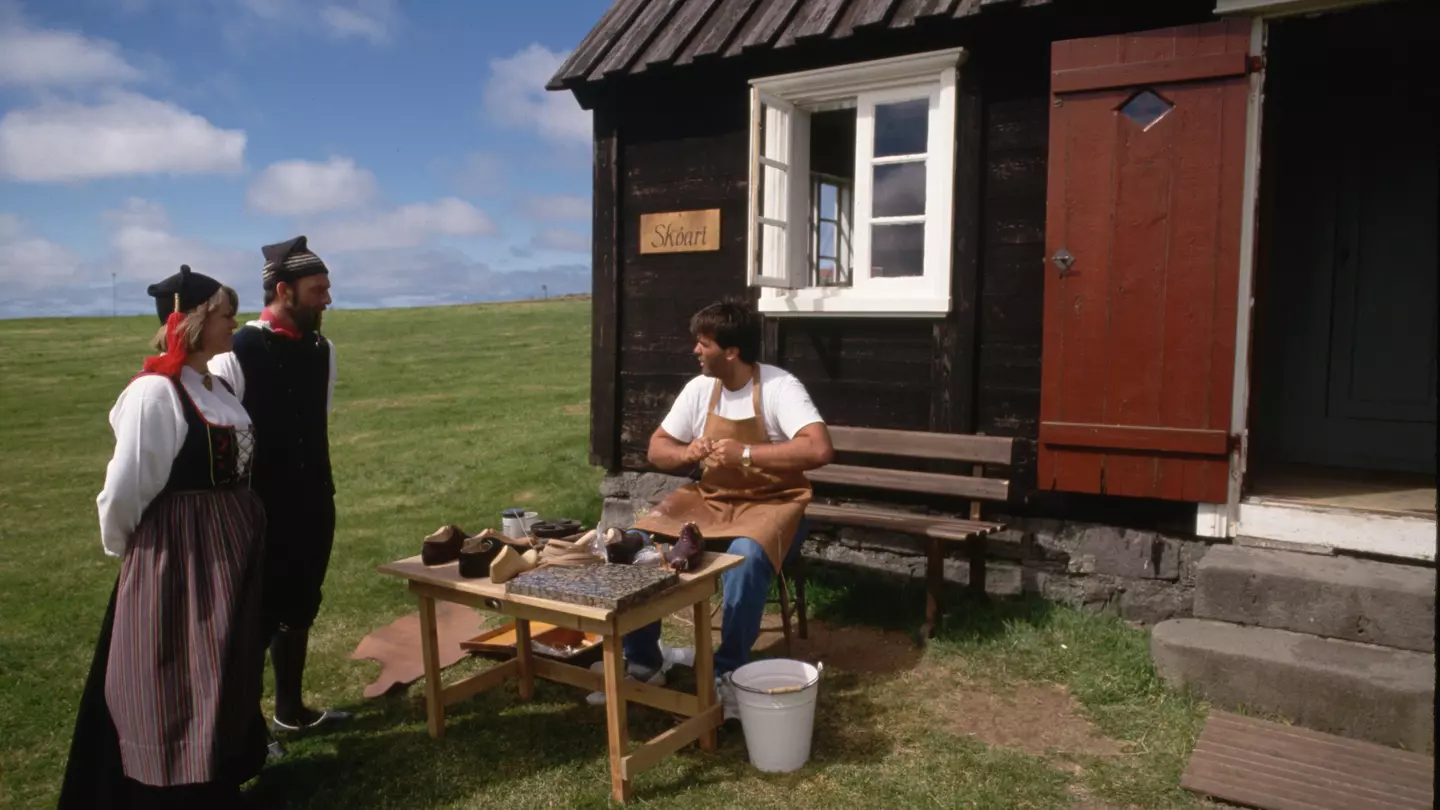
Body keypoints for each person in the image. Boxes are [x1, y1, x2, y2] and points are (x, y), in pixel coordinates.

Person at [59, 266, 269, 809]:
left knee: (226, 663)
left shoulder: (215, 384)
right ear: (195, 320)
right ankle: (172, 789)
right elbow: (126, 487)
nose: (234, 323)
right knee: (179, 673)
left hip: (230, 547)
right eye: (226, 313)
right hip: (183, 554)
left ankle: (220, 777)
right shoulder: (156, 393)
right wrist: (136, 559)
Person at [594, 301, 834, 719]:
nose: (695, 351)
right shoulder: (700, 389)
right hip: (711, 501)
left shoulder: (780, 386)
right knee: (638, 546)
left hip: (772, 503)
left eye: (703, 344)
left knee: (746, 557)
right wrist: (688, 450)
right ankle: (644, 662)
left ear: (732, 351)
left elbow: (818, 448)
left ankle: (729, 672)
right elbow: (657, 448)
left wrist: (746, 453)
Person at [209, 235, 350, 738]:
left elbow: (317, 419)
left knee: (301, 605)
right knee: (255, 616)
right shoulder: (235, 352)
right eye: (318, 290)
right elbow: (226, 439)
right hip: (260, 510)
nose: (327, 299)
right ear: (284, 291)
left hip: (313, 501)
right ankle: (245, 734)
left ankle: (291, 710)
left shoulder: (322, 350)